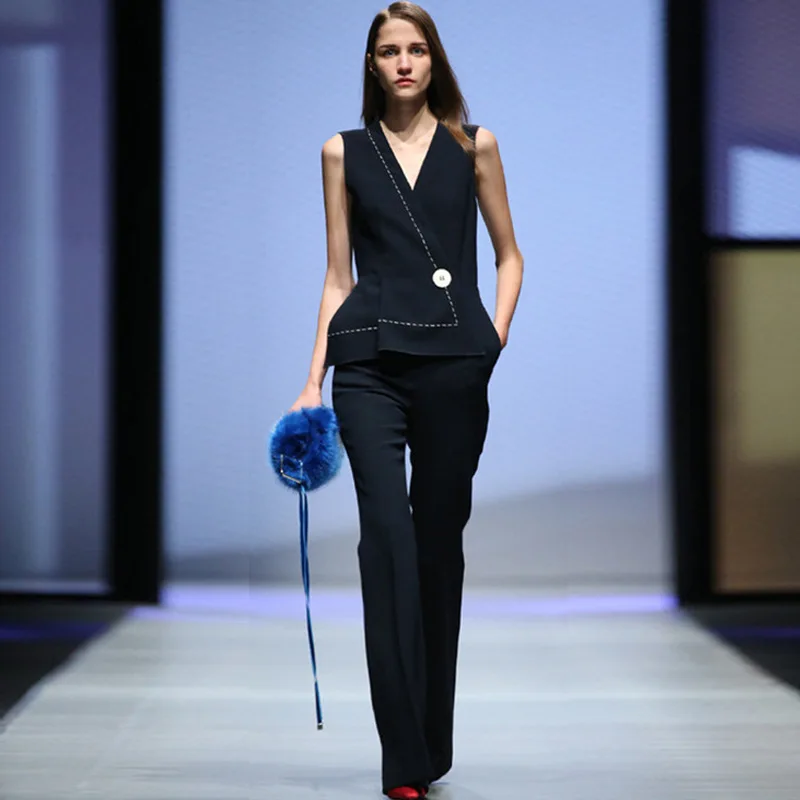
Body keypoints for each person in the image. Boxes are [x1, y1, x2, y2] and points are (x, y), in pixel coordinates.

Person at [289, 2, 523, 797]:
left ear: (433, 60)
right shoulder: (342, 151)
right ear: (372, 63)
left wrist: (492, 338)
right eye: (389, 50)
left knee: (436, 547)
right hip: (369, 364)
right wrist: (313, 379)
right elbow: (337, 277)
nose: (403, 63)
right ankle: (404, 760)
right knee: (385, 540)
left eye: (416, 49)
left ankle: (432, 739)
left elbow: (511, 254)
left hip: (455, 367)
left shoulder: (474, 145)